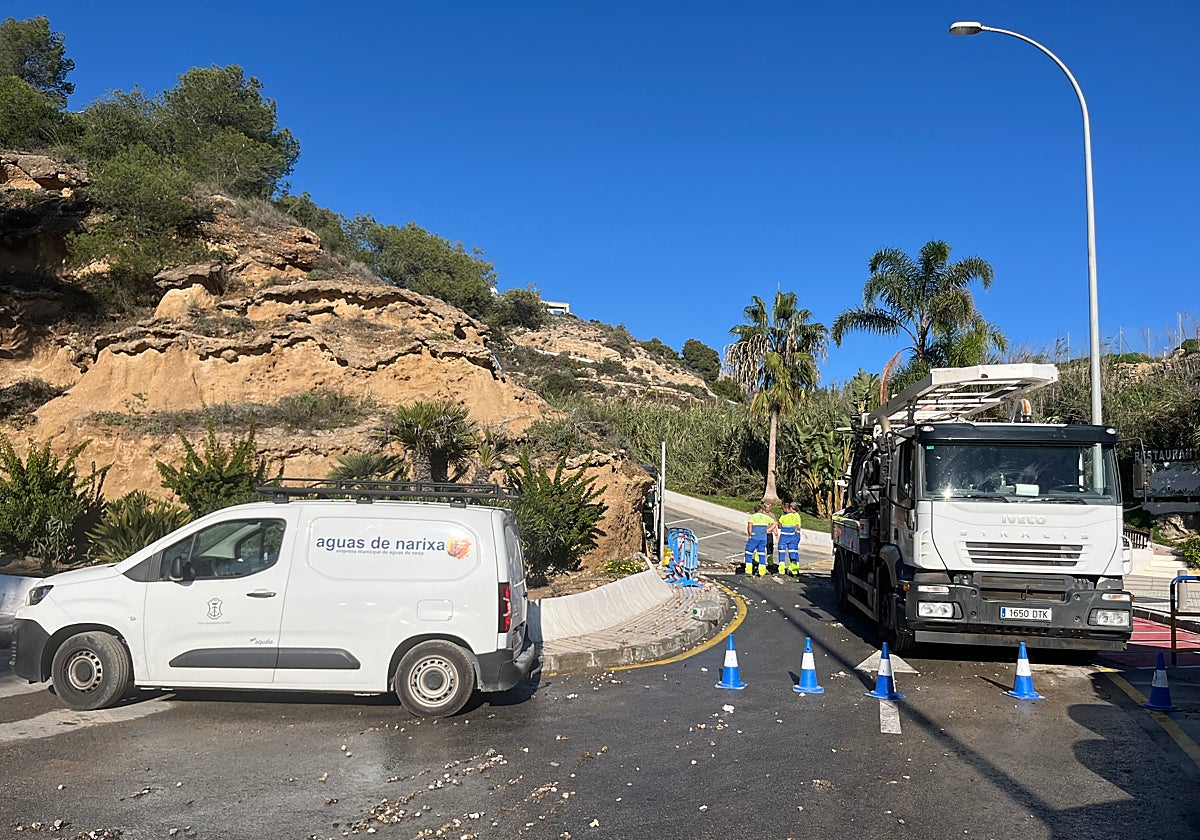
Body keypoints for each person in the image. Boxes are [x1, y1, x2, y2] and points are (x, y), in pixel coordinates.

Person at [744, 502, 777, 576]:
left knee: (748, 553)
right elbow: (775, 523)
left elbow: (750, 526)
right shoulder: (766, 517)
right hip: (763, 538)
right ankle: (762, 570)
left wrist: (749, 534)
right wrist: (769, 530)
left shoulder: (752, 517)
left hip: (755, 537)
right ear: (761, 510)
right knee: (761, 553)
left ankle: (748, 570)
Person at [777, 501, 802, 576]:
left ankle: (781, 570)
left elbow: (779, 526)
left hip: (784, 537)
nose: (782, 510)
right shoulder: (795, 516)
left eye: (783, 509)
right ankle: (794, 570)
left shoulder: (783, 517)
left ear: (786, 508)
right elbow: (797, 526)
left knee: (782, 553)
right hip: (792, 537)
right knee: (793, 552)